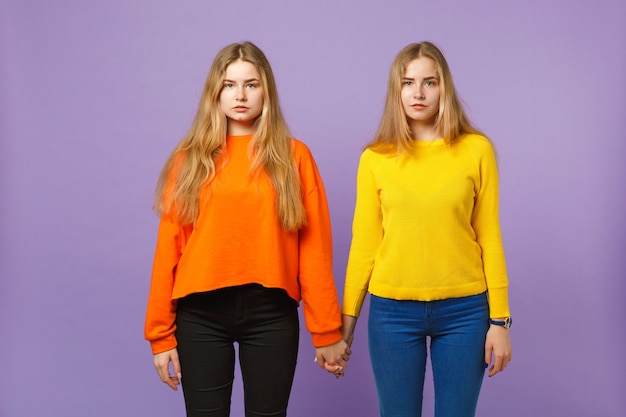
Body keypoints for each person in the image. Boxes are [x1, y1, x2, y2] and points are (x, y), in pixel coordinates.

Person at [144, 41, 350, 417]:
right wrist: (160, 336)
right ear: (215, 93)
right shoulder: (189, 161)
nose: (240, 95)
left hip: (271, 312)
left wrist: (326, 331)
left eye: (251, 84)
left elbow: (314, 249)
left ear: (266, 90)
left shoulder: (294, 156)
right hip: (200, 314)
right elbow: (169, 249)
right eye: (229, 84)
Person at [341, 41, 512, 417]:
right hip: (392, 314)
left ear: (444, 88)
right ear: (396, 90)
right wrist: (346, 322)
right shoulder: (375, 159)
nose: (418, 93)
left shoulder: (475, 149)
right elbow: (365, 244)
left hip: (466, 313)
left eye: (429, 82)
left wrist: (500, 321)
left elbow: (490, 238)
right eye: (408, 82)